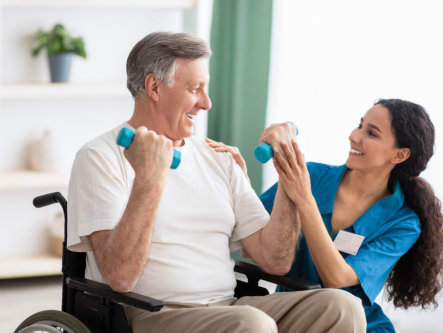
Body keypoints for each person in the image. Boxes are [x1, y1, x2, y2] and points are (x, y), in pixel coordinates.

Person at [66, 31, 366, 333]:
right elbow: (119, 277)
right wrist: (149, 179)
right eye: (195, 89)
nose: (206, 103)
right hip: (150, 314)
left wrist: (288, 173)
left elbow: (275, 261)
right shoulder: (99, 157)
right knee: (253, 324)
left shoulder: (217, 157)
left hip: (229, 308)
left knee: (342, 308)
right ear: (154, 87)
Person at [213, 99, 443, 332]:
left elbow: (337, 278)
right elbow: (251, 241)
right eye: (360, 125)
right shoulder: (311, 175)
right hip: (295, 314)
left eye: (371, 133)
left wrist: (304, 199)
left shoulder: (404, 223)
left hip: (357, 323)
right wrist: (241, 183)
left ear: (400, 155)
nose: (354, 136)